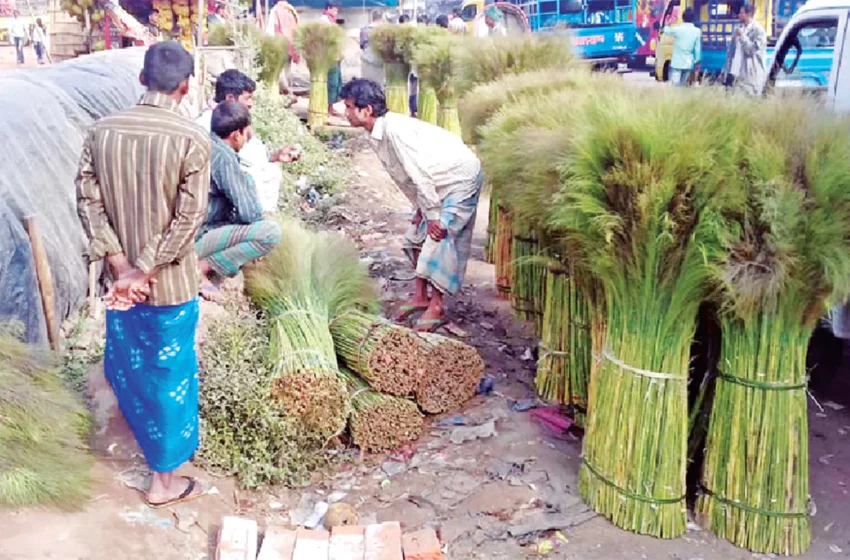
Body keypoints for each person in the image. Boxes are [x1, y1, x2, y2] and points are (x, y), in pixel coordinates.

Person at [76, 42, 211, 508]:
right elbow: (189, 217)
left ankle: (136, 441)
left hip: (120, 289)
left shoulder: (100, 132)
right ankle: (163, 482)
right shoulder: (192, 138)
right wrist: (146, 268)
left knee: (130, 364)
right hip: (168, 286)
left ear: (141, 80)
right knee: (170, 375)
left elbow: (88, 201)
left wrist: (119, 265)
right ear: (186, 86)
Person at [340, 79, 483, 332]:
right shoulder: (375, 132)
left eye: (349, 107)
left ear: (367, 111)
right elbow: (404, 176)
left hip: (458, 179)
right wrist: (421, 209)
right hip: (434, 182)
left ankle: (437, 307)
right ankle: (420, 296)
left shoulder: (395, 132)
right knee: (414, 236)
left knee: (439, 239)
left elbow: (419, 174)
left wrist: (435, 216)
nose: (346, 112)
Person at [196, 102, 282, 300]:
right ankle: (197, 268)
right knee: (269, 233)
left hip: (181, 233)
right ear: (236, 134)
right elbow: (249, 212)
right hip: (195, 236)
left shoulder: (203, 143)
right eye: (247, 132)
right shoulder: (223, 156)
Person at [197, 70, 299, 213]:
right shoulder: (207, 124)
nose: (251, 104)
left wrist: (276, 156)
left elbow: (251, 156)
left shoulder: (236, 121)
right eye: (248, 98)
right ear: (230, 98)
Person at [721, 3, 766, 95]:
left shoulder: (758, 31)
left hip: (749, 76)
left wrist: (742, 36)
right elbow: (731, 52)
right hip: (734, 73)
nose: (739, 15)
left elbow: (752, 51)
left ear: (748, 14)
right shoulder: (738, 29)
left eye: (741, 13)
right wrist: (726, 70)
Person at [267, 0, 300, 98]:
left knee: (278, 73)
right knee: (287, 71)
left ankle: (287, 94)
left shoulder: (276, 10)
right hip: (291, 45)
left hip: (280, 44)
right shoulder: (291, 10)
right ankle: (288, 95)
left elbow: (271, 30)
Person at [662, 8, 701, 87]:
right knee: (684, 86)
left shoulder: (678, 29)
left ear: (683, 18)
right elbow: (697, 49)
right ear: (693, 18)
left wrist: (667, 23)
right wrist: (697, 62)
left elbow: (665, 30)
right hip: (688, 63)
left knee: (675, 86)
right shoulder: (697, 31)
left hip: (677, 62)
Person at [319, 1, 344, 118]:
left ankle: (331, 107)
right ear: (328, 9)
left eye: (337, 10)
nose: (336, 12)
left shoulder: (332, 21)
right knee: (331, 83)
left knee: (337, 82)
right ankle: (327, 108)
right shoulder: (323, 21)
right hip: (328, 57)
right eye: (334, 10)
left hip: (336, 56)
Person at [360, 10, 384, 84]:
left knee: (367, 84)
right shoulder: (385, 31)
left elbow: (362, 45)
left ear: (372, 18)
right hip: (380, 61)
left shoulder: (365, 29)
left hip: (367, 59)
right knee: (378, 85)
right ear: (382, 18)